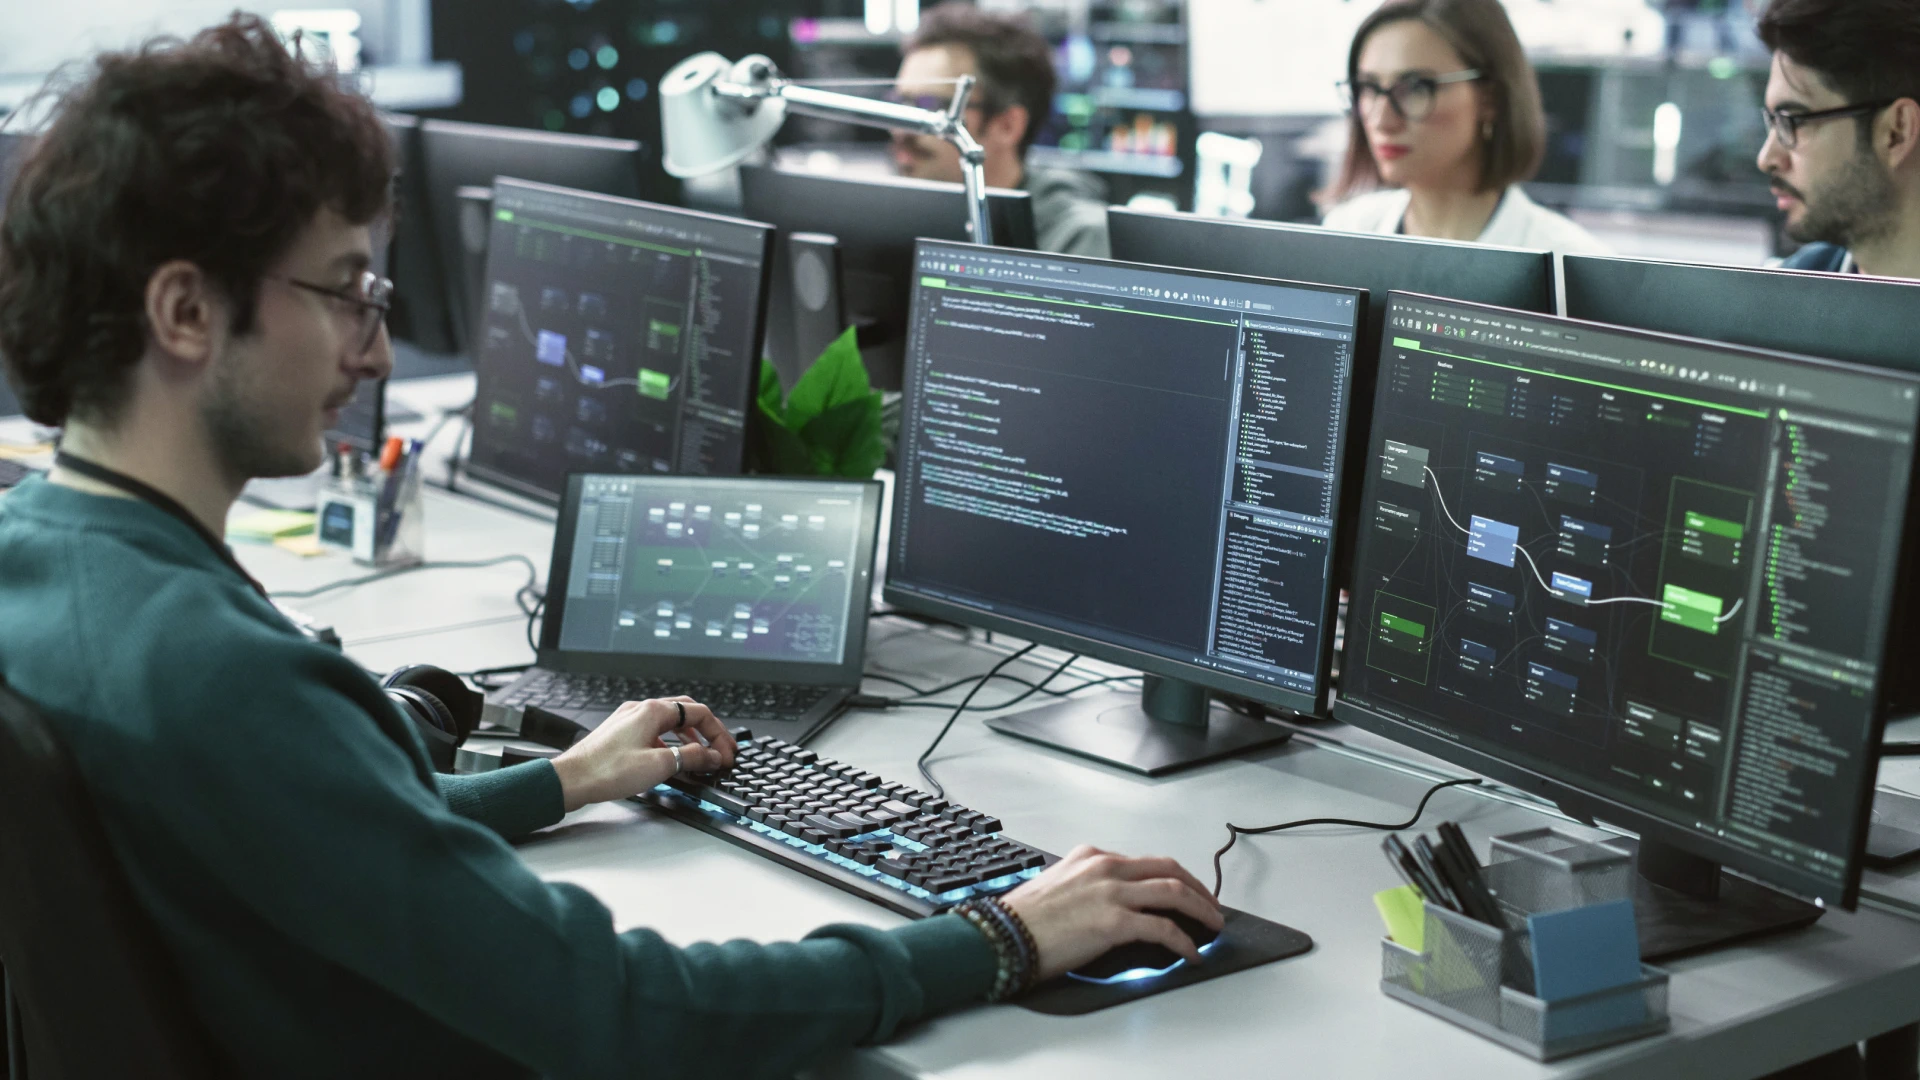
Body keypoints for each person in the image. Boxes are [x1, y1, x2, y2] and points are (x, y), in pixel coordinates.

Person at [0, 17, 1221, 1077]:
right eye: (344, 294)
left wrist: (566, 779)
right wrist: (998, 936)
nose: (373, 354)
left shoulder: (51, 565)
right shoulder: (218, 673)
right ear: (185, 310)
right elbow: (625, 1016)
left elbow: (309, 822)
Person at [1321, 0, 1608, 254]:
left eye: (1416, 88)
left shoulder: (1566, 261)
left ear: (1490, 98)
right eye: (1369, 87)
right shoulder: (1347, 232)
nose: (1381, 119)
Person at [891, 2, 1112, 257]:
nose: (900, 129)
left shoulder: (1077, 242)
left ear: (1007, 126)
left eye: (930, 106)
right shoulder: (905, 222)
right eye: (899, 103)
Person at [1756, 0, 1920, 278]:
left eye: (1793, 122)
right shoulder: (1793, 291)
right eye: (1772, 121)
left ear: (1896, 132)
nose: (1766, 159)